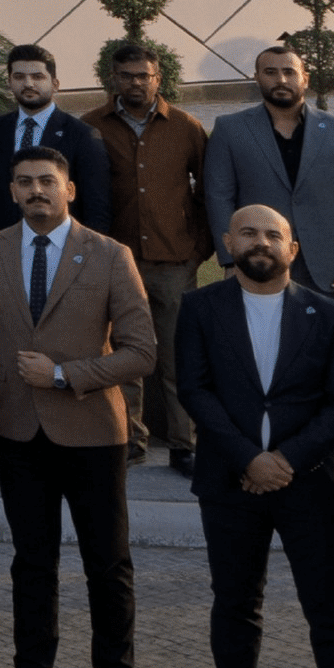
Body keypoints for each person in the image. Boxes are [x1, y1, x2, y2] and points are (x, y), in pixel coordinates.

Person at [175, 203, 334, 668]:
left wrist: (286, 459)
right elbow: (194, 391)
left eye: (274, 234)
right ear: (228, 243)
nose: (261, 241)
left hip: (314, 482)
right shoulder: (200, 308)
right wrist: (248, 457)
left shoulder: (328, 312)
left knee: (332, 611)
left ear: (293, 249)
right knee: (235, 602)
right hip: (231, 480)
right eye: (249, 232)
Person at [0, 146, 158, 668]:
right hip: (17, 433)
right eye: (24, 182)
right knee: (32, 564)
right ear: (11, 192)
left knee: (108, 566)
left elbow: (142, 352)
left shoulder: (110, 255)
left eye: (47, 181)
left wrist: (67, 375)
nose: (36, 190)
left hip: (93, 433)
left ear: (69, 189)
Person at [208, 38, 334, 338]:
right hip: (260, 265)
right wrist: (231, 261)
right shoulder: (230, 130)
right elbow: (219, 198)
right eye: (270, 72)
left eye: (289, 72)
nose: (281, 79)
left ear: (305, 78)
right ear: (257, 77)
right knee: (266, 358)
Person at [96, 43, 217, 462]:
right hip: (115, 260)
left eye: (143, 75)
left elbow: (211, 191)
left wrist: (199, 248)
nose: (135, 82)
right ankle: (129, 438)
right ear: (114, 78)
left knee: (176, 356)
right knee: (124, 354)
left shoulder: (185, 126)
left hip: (174, 261)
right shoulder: (92, 126)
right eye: (127, 75)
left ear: (157, 78)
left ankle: (185, 444)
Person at [0, 42, 110, 236]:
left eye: (37, 77)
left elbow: (97, 205)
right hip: (5, 246)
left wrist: (88, 255)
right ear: (9, 82)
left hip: (63, 247)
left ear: (55, 84)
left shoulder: (82, 134)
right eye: (19, 77)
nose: (28, 83)